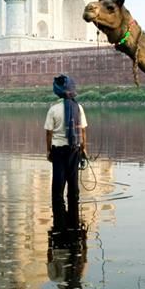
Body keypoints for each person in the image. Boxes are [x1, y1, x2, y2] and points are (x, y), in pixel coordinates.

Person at [45, 74, 88, 206]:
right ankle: (73, 219)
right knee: (73, 182)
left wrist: (48, 151)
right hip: (74, 149)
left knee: (58, 182)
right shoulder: (78, 108)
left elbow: (49, 133)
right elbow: (83, 130)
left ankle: (58, 216)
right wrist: (84, 148)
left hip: (58, 150)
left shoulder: (53, 109)